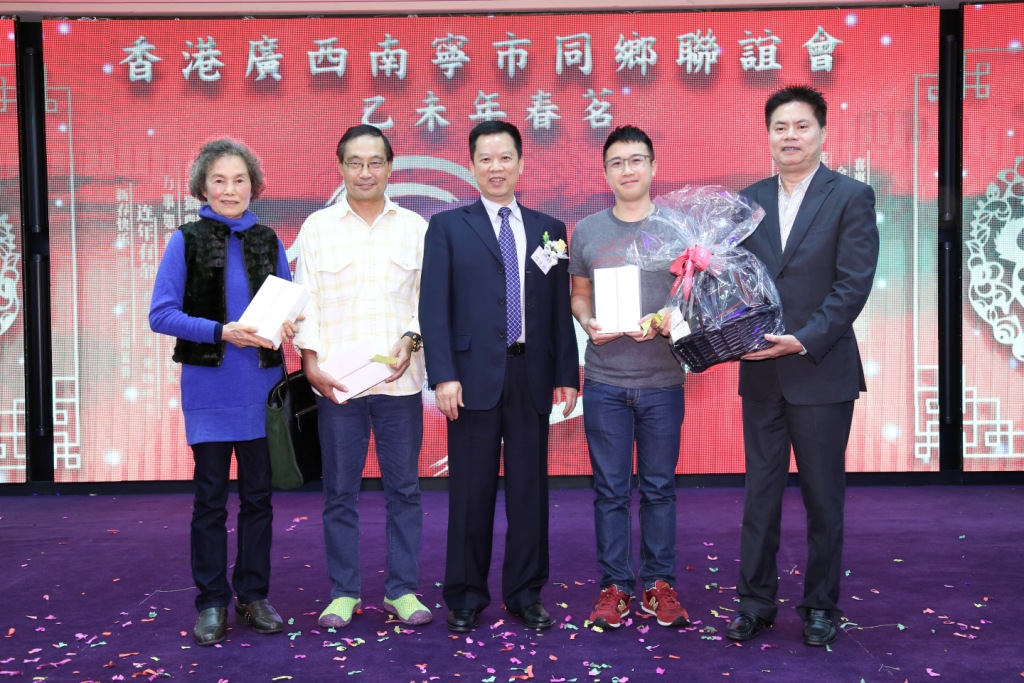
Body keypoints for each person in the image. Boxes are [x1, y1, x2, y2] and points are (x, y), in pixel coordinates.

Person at [725, 85, 879, 647]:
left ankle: (820, 605)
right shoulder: (747, 203)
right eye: (780, 127)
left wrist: (802, 340)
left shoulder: (851, 196)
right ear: (767, 135)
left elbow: (852, 285)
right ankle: (754, 602)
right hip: (761, 370)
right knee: (759, 497)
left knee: (823, 498)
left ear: (821, 132)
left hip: (821, 369)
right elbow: (735, 284)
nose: (790, 136)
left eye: (801, 126)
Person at [419, 120, 579, 633]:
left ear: (521, 163)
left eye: (505, 157)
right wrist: (443, 375)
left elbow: (557, 311)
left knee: (530, 491)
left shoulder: (550, 229)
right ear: (470, 166)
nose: (496, 167)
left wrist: (566, 373)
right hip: (469, 379)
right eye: (485, 158)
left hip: (531, 374)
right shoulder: (447, 227)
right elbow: (433, 309)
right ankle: (465, 594)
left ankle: (526, 593)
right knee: (471, 491)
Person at [150, 138, 293, 646]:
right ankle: (211, 602)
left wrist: (290, 323)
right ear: (202, 187)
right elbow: (161, 315)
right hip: (209, 389)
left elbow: (288, 306)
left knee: (259, 500)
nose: (230, 190)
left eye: (239, 180)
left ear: (254, 186)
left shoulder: (269, 240)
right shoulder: (185, 240)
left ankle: (253, 596)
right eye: (219, 180)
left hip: (262, 390)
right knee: (210, 501)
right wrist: (220, 331)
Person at [292, 125, 431, 629]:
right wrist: (310, 362)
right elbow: (304, 301)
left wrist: (412, 339)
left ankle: (402, 591)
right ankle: (344, 592)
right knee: (339, 493)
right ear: (341, 167)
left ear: (390, 167)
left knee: (405, 490)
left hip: (400, 383)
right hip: (339, 386)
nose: (365, 172)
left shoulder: (415, 228)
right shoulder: (317, 228)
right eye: (355, 162)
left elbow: (429, 300)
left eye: (375, 162)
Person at [568, 125, 690, 631]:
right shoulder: (587, 231)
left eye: (636, 160)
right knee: (610, 491)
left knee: (659, 489)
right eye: (617, 162)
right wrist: (586, 321)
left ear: (653, 167)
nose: (627, 170)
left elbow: (694, 295)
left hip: (662, 379)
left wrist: (668, 317)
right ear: (606, 172)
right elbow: (579, 293)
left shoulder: (679, 230)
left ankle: (659, 584)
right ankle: (615, 586)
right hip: (604, 382)